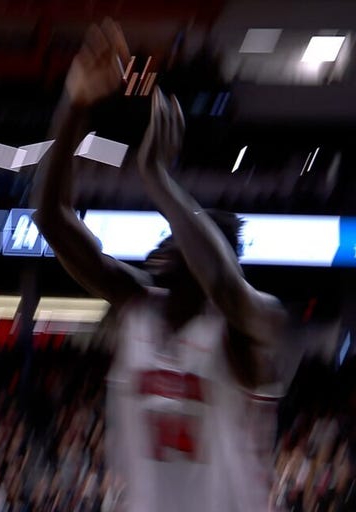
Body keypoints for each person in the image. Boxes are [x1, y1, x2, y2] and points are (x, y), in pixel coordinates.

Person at [32, 19, 285, 512]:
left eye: (179, 238)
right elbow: (52, 219)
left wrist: (157, 178)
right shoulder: (140, 303)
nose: (163, 243)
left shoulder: (248, 329)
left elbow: (227, 289)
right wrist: (75, 105)